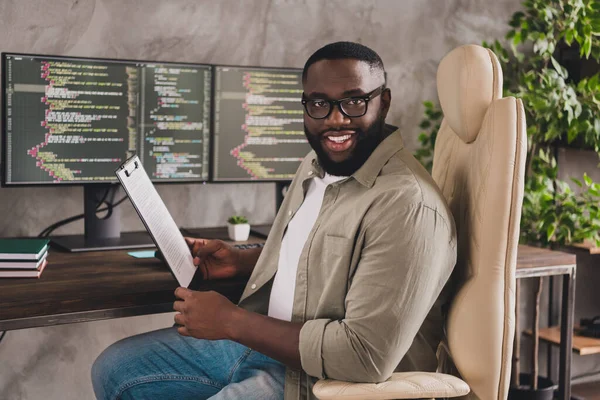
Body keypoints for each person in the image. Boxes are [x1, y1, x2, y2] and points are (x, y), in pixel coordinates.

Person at [91, 41, 457, 400]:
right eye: (319, 103)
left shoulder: (408, 205)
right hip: (268, 346)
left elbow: (365, 356)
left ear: (384, 102)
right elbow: (325, 251)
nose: (335, 118)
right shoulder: (318, 166)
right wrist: (243, 259)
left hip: (326, 385)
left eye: (354, 101)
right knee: (114, 368)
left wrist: (232, 323)